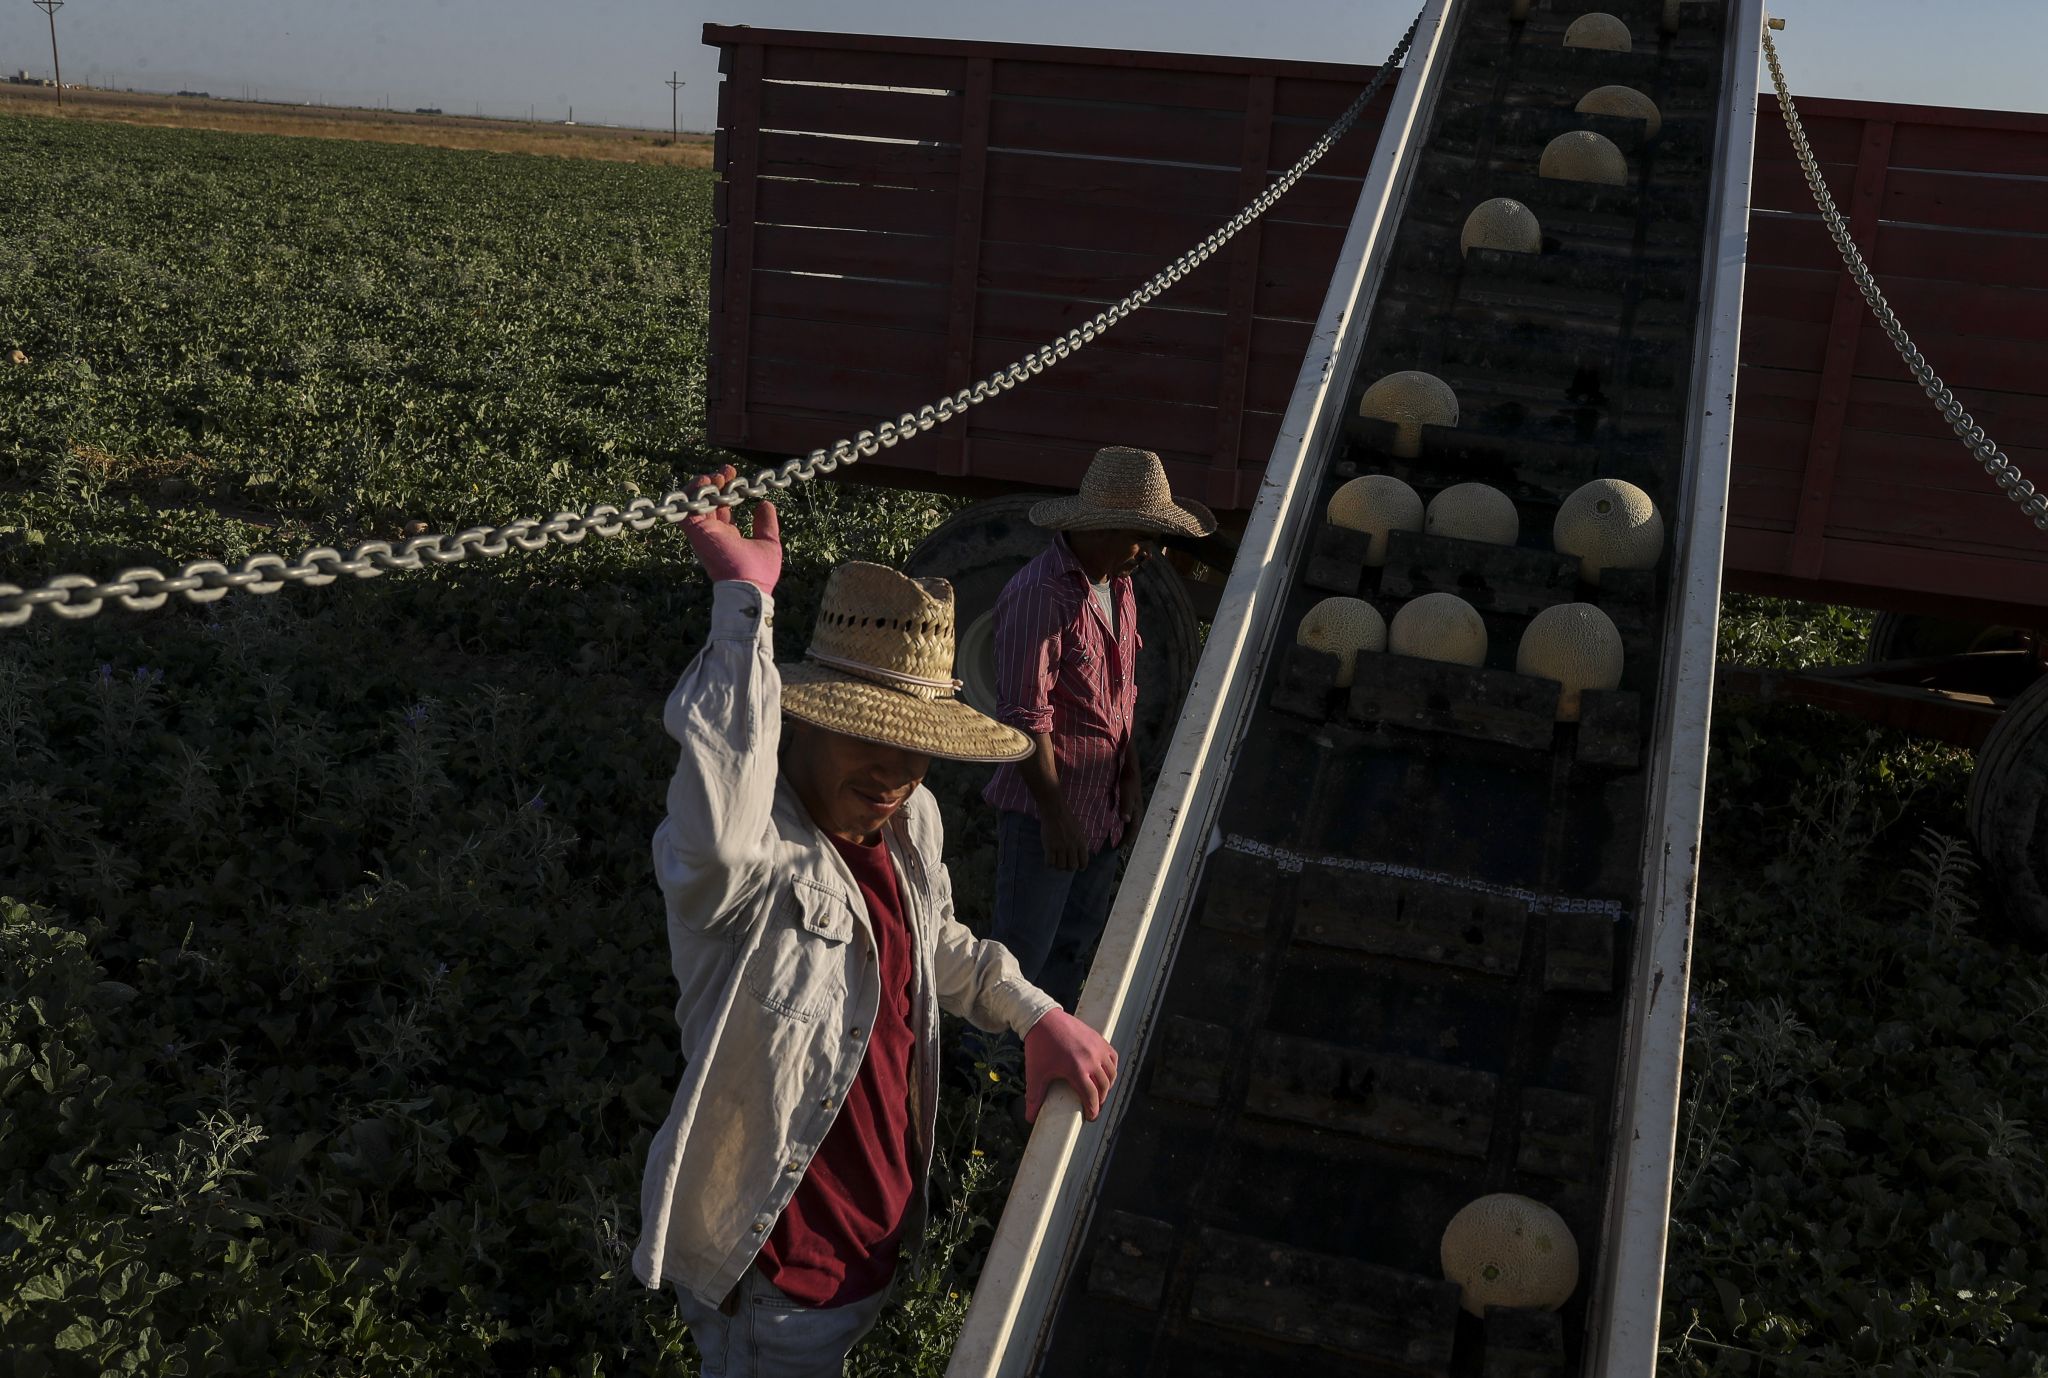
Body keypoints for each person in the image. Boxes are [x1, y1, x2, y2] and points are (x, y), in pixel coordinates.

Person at [632, 468, 1119, 1378]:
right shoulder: (751, 863)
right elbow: (718, 835)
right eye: (866, 735)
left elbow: (931, 942)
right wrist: (743, 603)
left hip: (872, 1249)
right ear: (798, 725)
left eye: (917, 748)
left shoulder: (909, 826)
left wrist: (1034, 1013)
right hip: (776, 1277)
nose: (896, 770)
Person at [981, 446, 1217, 1013]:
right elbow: (1024, 718)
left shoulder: (1121, 584)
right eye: (1144, 535)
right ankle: (981, 1081)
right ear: (1107, 528)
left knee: (1071, 953)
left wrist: (1129, 777)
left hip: (1103, 811)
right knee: (1019, 964)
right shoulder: (1040, 596)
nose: (1153, 551)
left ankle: (1039, 1085)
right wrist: (1057, 818)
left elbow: (1122, 693)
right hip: (1049, 817)